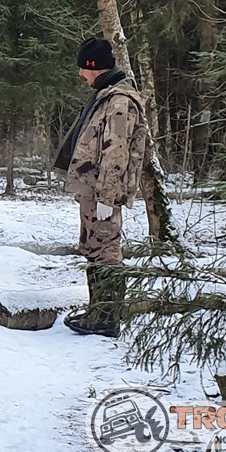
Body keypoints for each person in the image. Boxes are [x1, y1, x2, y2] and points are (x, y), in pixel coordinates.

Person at [53, 38, 148, 337]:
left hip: (102, 192)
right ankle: (99, 312)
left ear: (93, 67)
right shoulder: (106, 96)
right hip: (93, 189)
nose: (80, 74)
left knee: (105, 249)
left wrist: (107, 196)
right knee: (94, 247)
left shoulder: (119, 101)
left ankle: (106, 318)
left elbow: (115, 151)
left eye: (82, 68)